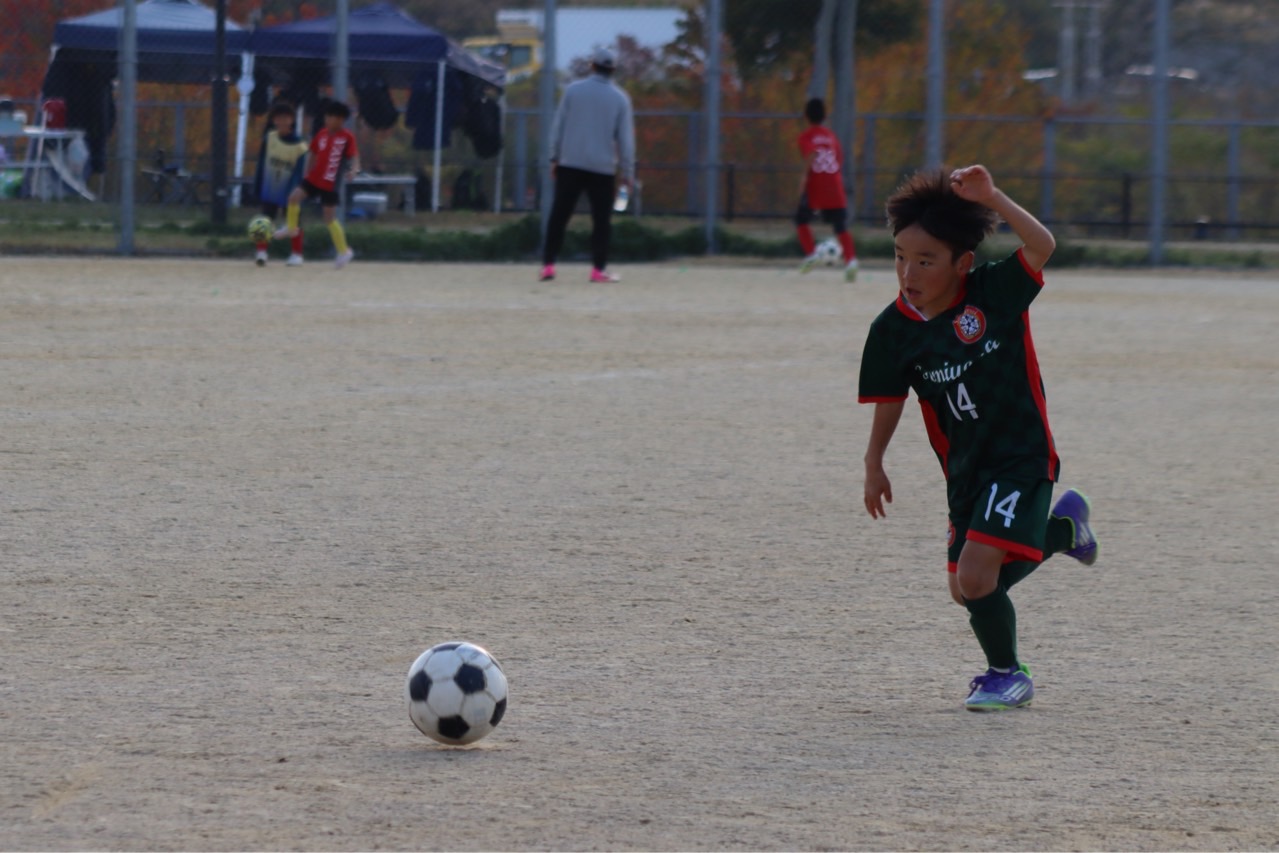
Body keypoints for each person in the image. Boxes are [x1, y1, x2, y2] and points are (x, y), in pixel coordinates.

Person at [857, 164, 1099, 711]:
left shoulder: (993, 292)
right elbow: (890, 398)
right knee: (965, 589)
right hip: (965, 469)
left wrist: (994, 197)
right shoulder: (891, 330)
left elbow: (1042, 245)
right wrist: (874, 461)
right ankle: (1064, 532)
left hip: (1020, 455)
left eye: (925, 260)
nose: (908, 272)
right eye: (899, 256)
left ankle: (1006, 675)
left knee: (975, 575)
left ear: (961, 263)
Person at [540, 46, 635, 283]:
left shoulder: (573, 91)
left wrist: (554, 157)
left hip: (570, 163)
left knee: (559, 216)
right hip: (602, 169)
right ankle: (597, 270)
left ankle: (548, 266)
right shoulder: (620, 99)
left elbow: (558, 127)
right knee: (601, 221)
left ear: (592, 66)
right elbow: (625, 140)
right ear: (613, 70)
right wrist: (627, 172)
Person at [274, 100, 360, 269]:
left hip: (330, 182)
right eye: (326, 117)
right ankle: (291, 227)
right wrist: (307, 172)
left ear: (341, 120)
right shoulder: (321, 134)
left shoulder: (346, 137)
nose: (327, 120)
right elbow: (313, 153)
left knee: (329, 218)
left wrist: (354, 169)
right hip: (314, 178)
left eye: (331, 117)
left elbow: (354, 156)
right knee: (293, 197)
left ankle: (344, 251)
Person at [795, 97, 859, 282]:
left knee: (801, 219)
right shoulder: (831, 137)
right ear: (824, 116)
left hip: (816, 184)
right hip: (834, 184)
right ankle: (851, 261)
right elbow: (838, 159)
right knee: (840, 225)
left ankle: (811, 253)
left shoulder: (806, 136)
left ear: (806, 116)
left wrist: (804, 177)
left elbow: (811, 153)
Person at [253, 101, 308, 266]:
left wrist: (296, 189)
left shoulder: (300, 145)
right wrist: (258, 184)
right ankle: (261, 252)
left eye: (286, 118)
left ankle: (297, 254)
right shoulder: (269, 138)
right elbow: (261, 163)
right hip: (271, 186)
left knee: (293, 220)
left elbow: (300, 170)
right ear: (273, 120)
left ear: (292, 120)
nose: (282, 121)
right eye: (278, 118)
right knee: (265, 219)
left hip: (290, 190)